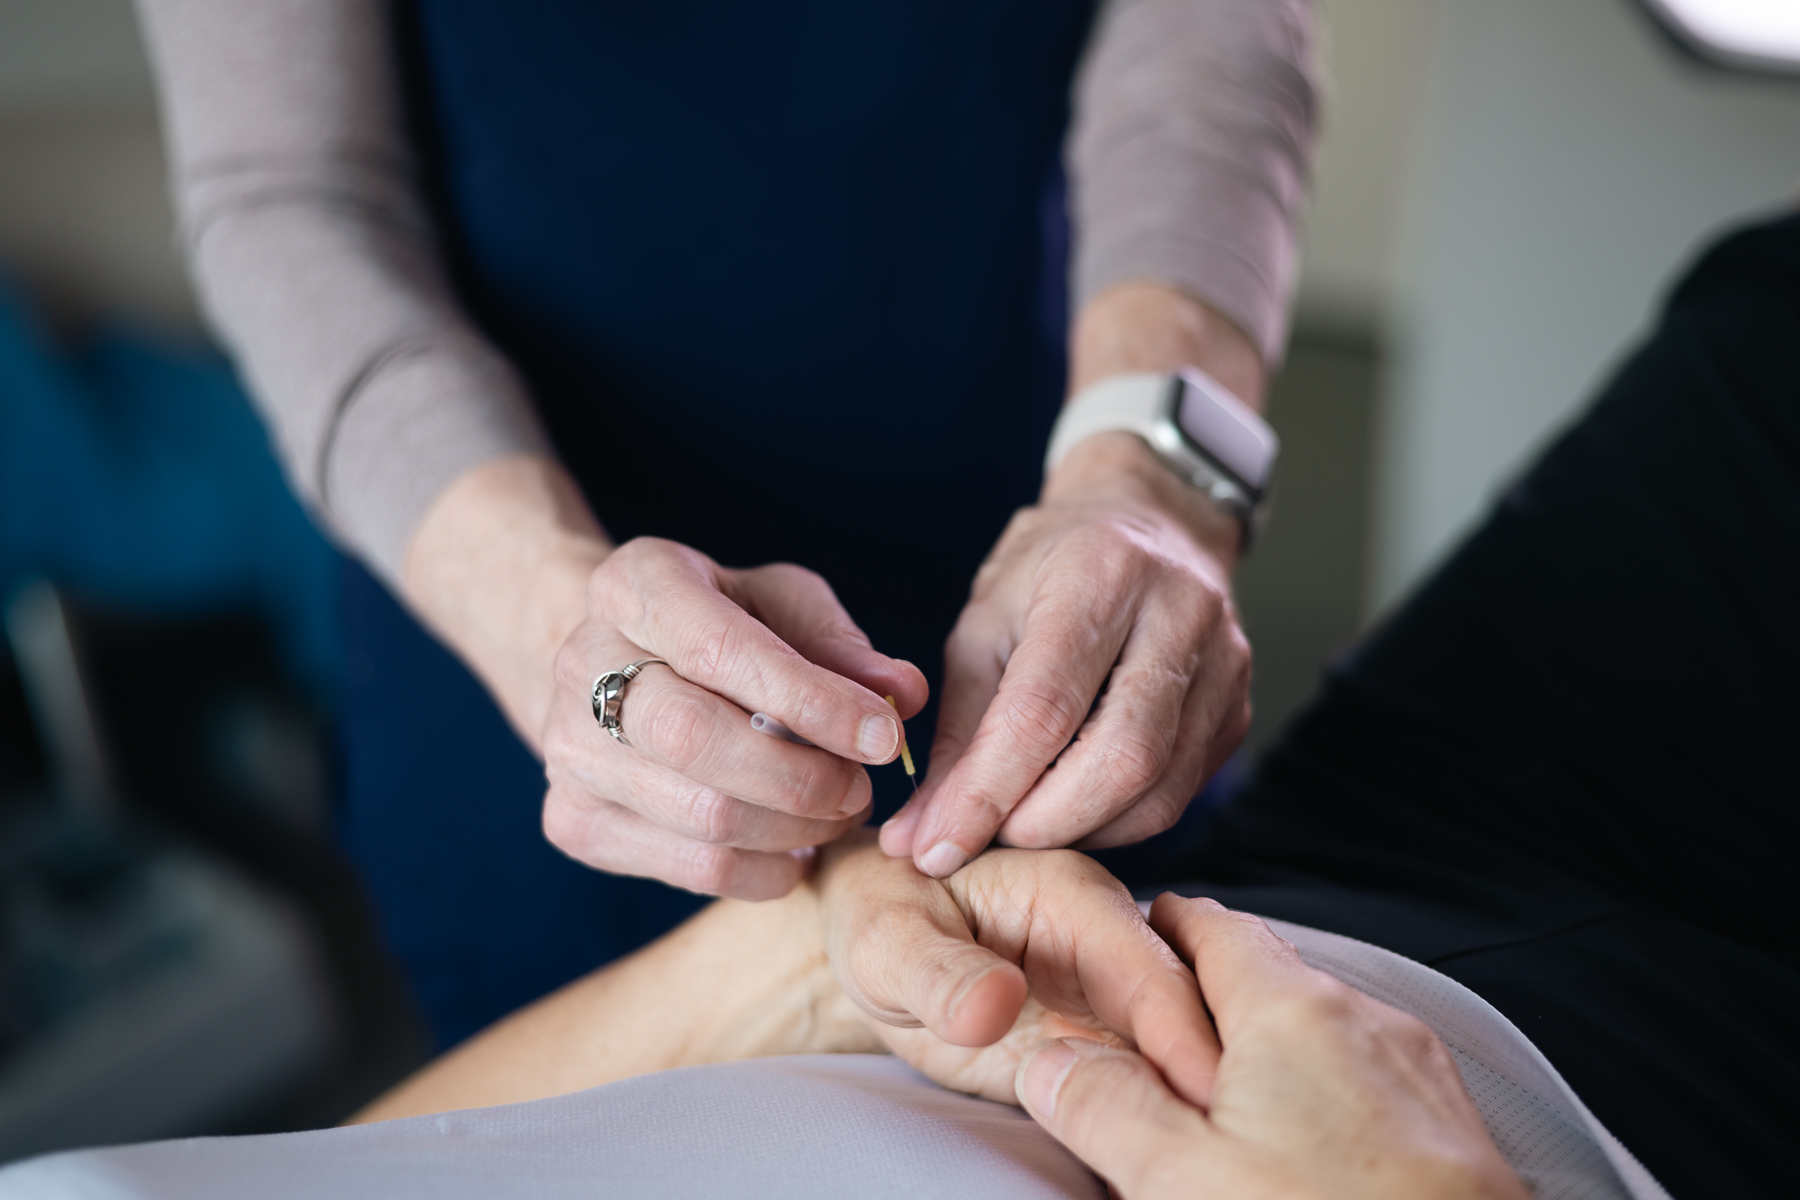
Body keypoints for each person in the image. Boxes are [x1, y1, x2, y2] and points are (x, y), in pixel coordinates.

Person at [8, 207, 1788, 1199]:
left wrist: (819, 952)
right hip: (1601, 1120)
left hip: (1296, 921)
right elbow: (290, 196)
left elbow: (359, 1171)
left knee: (1762, 322)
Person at [135, 0, 1320, 1047]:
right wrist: (553, 617)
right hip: (524, 630)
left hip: (1055, 580)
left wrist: (1150, 483)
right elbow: (290, 197)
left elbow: (1209, 41)